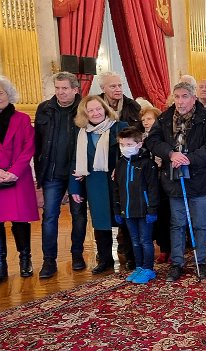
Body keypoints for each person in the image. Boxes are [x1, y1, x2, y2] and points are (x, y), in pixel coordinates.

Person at [145, 82, 206, 282]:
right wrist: (170, 154)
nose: (180, 101)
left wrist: (189, 158)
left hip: (199, 179)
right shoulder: (164, 118)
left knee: (200, 223)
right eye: (177, 97)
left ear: (193, 98)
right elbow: (152, 141)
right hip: (173, 179)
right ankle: (177, 262)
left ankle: (200, 261)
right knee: (177, 223)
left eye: (185, 96)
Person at [34, 72, 88, 278]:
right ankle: (49, 261)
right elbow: (37, 142)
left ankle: (77, 255)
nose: (60, 92)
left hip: (77, 173)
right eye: (57, 88)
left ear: (75, 89)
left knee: (79, 215)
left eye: (64, 88)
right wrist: (39, 171)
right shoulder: (44, 108)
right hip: (52, 173)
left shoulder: (84, 108)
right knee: (49, 217)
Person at [69, 95, 128, 274]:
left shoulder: (120, 127)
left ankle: (132, 257)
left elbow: (131, 152)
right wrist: (74, 188)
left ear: (105, 109)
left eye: (98, 109)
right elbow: (75, 162)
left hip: (117, 183)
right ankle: (105, 260)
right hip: (94, 183)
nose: (95, 113)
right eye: (91, 110)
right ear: (85, 114)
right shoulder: (81, 133)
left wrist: (120, 167)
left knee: (125, 220)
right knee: (101, 223)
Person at [97, 71, 140, 270]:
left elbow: (137, 136)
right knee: (102, 210)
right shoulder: (95, 107)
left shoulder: (132, 106)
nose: (118, 89)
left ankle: (128, 251)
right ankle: (104, 255)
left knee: (125, 208)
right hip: (100, 166)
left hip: (126, 164)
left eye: (120, 85)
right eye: (113, 86)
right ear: (103, 88)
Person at [0, 76, 39, 281]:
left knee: (20, 220)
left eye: (0, 92)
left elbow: (29, 147)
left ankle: (25, 259)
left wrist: (14, 171)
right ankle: (1, 263)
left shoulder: (22, 119)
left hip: (19, 176)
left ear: (8, 94)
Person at [113, 127, 159, 284]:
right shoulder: (120, 164)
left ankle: (148, 269)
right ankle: (139, 267)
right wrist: (117, 209)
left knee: (145, 240)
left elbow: (153, 189)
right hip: (127, 210)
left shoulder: (147, 164)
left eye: (129, 144)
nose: (125, 147)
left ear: (139, 144)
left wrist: (152, 209)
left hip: (144, 210)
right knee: (134, 240)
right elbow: (117, 188)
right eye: (122, 144)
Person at [140, 106, 171, 264]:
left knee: (167, 216)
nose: (145, 122)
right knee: (157, 217)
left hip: (164, 181)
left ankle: (170, 249)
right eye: (143, 119)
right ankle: (162, 248)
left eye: (149, 119)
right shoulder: (142, 139)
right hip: (149, 183)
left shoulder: (164, 137)